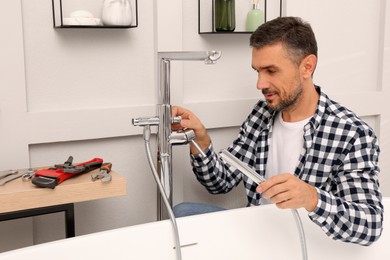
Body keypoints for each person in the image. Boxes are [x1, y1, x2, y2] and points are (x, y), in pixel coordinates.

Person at [171, 16, 383, 246]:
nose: (260, 84)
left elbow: (370, 225)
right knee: (183, 212)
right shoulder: (262, 114)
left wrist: (312, 198)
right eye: (258, 71)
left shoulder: (352, 133)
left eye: (271, 71)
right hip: (256, 232)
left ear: (307, 67)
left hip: (303, 244)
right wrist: (200, 140)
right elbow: (220, 182)